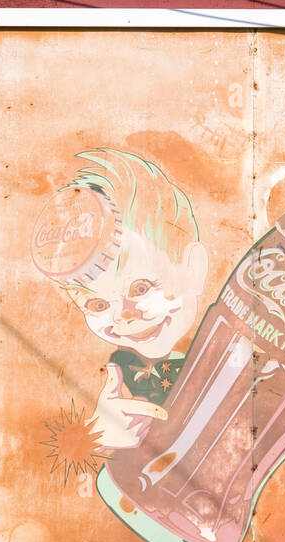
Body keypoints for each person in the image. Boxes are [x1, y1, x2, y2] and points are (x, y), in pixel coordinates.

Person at [42, 149, 208, 449]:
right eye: (98, 305)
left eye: (141, 288)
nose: (122, 317)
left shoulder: (228, 351)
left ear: (193, 268)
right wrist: (100, 437)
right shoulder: (115, 369)